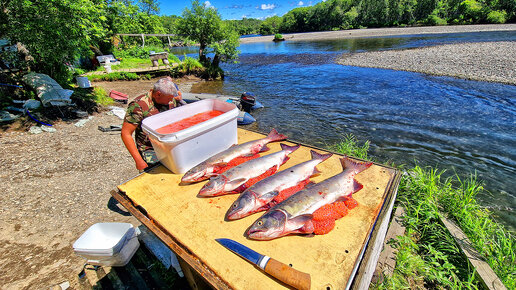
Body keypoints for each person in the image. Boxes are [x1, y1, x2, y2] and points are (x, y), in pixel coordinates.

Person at [121, 77, 182, 171]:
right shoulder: (138, 106)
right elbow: (126, 133)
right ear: (158, 94)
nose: (171, 101)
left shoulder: (170, 99)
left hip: (168, 145)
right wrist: (139, 161)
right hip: (150, 149)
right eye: (169, 99)